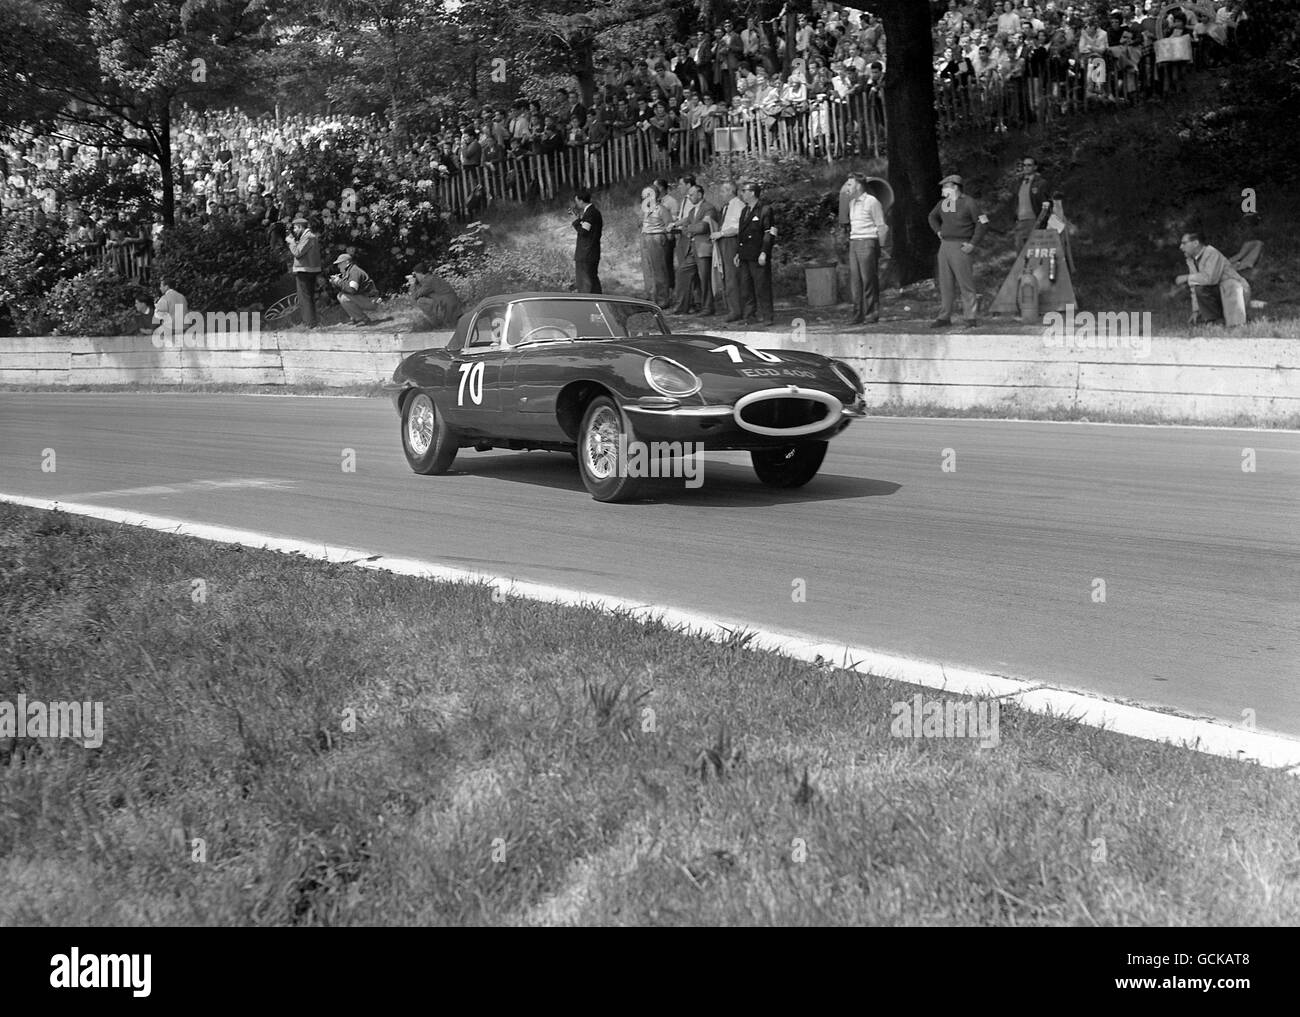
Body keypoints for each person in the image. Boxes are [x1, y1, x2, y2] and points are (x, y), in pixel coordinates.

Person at [927, 174, 989, 328]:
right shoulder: (943, 203)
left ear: (954, 187)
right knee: (945, 283)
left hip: (961, 245)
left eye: (945, 186)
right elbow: (932, 217)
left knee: (965, 282)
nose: (942, 189)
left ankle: (970, 316)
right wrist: (938, 231)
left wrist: (973, 243)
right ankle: (944, 316)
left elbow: (982, 222)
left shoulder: (969, 203)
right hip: (945, 245)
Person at [1176, 232, 1250, 326]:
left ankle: (1230, 323)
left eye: (1184, 243)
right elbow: (1195, 285)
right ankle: (1215, 321)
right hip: (1221, 292)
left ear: (1195, 243)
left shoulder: (1211, 253)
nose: (1181, 247)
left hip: (1237, 291)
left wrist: (1187, 277)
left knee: (1228, 284)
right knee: (1200, 288)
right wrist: (1196, 310)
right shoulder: (1191, 260)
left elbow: (1210, 278)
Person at [843, 173, 888, 325]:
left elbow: (881, 225)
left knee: (868, 279)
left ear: (859, 185)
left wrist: (880, 246)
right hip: (854, 241)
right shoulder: (852, 203)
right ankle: (857, 313)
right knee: (856, 281)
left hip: (868, 240)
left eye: (850, 184)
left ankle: (871, 313)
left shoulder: (871, 201)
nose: (847, 187)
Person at [671, 182, 717, 315]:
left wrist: (686, 229)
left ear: (700, 194)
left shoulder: (709, 208)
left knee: (705, 278)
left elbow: (703, 227)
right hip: (692, 249)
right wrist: (674, 224)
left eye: (691, 194)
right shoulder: (692, 211)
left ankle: (708, 307)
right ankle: (682, 306)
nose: (689, 196)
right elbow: (687, 221)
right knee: (681, 273)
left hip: (703, 249)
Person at [734, 180, 776, 327]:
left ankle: (767, 315)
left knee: (762, 286)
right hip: (746, 254)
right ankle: (749, 315)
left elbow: (769, 233)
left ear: (752, 192)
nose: (742, 194)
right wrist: (738, 253)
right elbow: (741, 234)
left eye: (744, 191)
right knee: (746, 287)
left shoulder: (764, 209)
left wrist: (764, 251)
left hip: (758, 253)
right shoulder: (744, 211)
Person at [711, 179, 746, 322]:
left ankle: (736, 310)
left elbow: (739, 227)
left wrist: (722, 234)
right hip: (724, 241)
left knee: (732, 276)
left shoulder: (738, 205)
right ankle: (732, 308)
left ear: (731, 191)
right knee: (726, 275)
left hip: (731, 242)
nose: (721, 194)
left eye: (723, 191)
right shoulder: (727, 206)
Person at [1010, 156, 1052, 252]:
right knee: (1020, 253)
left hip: (1034, 221)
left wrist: (1042, 222)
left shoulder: (1041, 183)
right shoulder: (1018, 183)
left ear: (1035, 167)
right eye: (1024, 165)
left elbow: (1046, 204)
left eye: (1029, 165)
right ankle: (1023, 268)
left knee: (1034, 252)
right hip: (1020, 222)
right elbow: (1015, 202)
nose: (1026, 167)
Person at [639, 185, 672, 306]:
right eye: (643, 195)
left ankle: (662, 299)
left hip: (656, 237)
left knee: (659, 270)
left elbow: (669, 225)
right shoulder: (645, 210)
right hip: (645, 237)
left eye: (647, 195)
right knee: (647, 269)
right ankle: (651, 298)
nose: (644, 197)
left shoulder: (661, 209)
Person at [287, 214, 322, 328]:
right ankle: (311, 321)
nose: (294, 230)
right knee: (308, 296)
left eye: (295, 228)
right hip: (308, 270)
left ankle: (309, 323)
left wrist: (291, 242)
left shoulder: (308, 237)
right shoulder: (307, 236)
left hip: (305, 270)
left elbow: (297, 252)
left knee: (304, 298)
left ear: (301, 227)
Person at [330, 252, 379, 326]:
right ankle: (355, 318)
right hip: (366, 298)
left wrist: (338, 281)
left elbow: (351, 290)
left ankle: (362, 319)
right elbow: (345, 289)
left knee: (343, 297)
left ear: (347, 262)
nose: (338, 266)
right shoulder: (349, 271)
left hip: (371, 300)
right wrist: (335, 282)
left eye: (340, 264)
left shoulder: (354, 272)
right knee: (341, 295)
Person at [409, 263, 463, 328]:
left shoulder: (429, 281)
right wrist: (416, 283)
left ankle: (439, 324)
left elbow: (415, 296)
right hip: (452, 305)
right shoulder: (432, 278)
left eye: (415, 274)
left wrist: (412, 284)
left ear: (420, 273)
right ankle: (444, 322)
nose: (415, 277)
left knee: (421, 301)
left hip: (448, 306)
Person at [571, 188, 603, 294]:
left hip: (586, 254)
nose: (576, 204)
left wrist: (575, 221)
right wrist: (579, 219)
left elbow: (584, 231)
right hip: (591, 253)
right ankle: (599, 303)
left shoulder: (590, 213)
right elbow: (587, 229)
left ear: (581, 200)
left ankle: (587, 306)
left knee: (585, 284)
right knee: (593, 281)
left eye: (577, 201)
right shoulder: (593, 212)